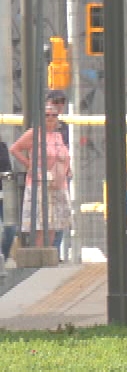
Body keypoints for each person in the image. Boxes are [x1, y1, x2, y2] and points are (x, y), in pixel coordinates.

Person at [10, 95, 71, 259]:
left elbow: (63, 155)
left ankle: (50, 255)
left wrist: (67, 168)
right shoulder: (34, 133)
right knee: (39, 223)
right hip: (39, 182)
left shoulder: (58, 135)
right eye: (47, 115)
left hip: (57, 183)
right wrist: (29, 164)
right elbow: (15, 148)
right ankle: (38, 258)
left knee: (53, 223)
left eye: (54, 115)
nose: (51, 118)